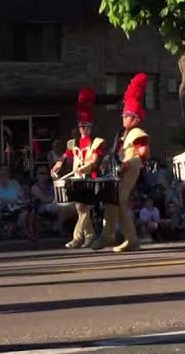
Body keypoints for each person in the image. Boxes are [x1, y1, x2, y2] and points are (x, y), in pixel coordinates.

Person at [95, 73, 150, 252]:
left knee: (118, 200)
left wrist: (128, 164)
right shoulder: (120, 134)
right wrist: (104, 161)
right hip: (119, 170)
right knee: (114, 202)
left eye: (128, 115)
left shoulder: (138, 132)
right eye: (124, 115)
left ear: (136, 118)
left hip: (130, 169)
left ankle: (111, 236)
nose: (124, 118)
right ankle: (119, 237)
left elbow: (143, 153)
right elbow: (114, 152)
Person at [50, 87, 105, 248]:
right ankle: (90, 236)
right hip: (76, 179)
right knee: (81, 209)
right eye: (81, 125)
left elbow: (94, 160)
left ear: (91, 126)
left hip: (89, 178)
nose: (83, 129)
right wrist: (58, 164)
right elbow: (65, 156)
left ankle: (76, 238)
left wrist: (86, 168)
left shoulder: (96, 142)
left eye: (86, 126)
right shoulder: (73, 142)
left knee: (83, 208)